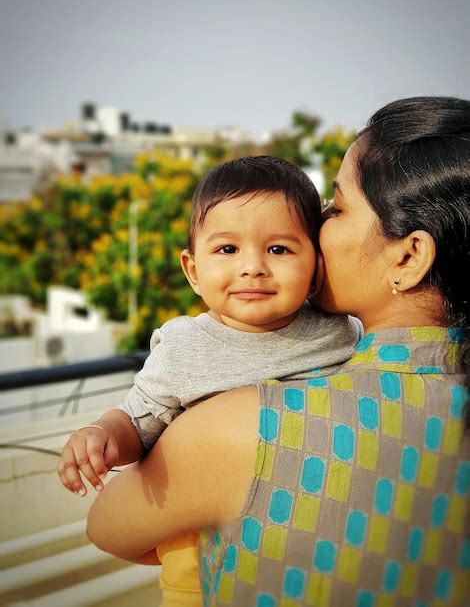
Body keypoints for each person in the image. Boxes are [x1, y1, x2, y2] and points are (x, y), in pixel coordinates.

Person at [86, 96, 470, 606]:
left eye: (337, 206)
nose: (320, 226)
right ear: (193, 267)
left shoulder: (237, 430)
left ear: (409, 256)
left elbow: (108, 527)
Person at [57, 156, 361, 606]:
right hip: (197, 565)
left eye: (279, 249)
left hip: (309, 548)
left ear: (315, 267)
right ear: (193, 270)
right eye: (227, 250)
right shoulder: (183, 347)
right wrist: (102, 437)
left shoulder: (338, 331)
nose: (252, 267)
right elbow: (138, 422)